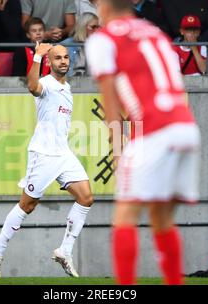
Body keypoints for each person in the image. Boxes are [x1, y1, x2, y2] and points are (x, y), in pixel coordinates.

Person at [85, 0, 201, 285]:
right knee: (161, 219)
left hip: (153, 131)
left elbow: (110, 105)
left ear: (102, 5)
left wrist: (117, 148)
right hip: (186, 127)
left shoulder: (103, 39)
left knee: (125, 216)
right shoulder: (154, 32)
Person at [0, 42, 94, 278]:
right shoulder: (46, 83)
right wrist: (36, 56)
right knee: (27, 205)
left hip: (63, 153)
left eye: (66, 57)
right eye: (57, 58)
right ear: (50, 62)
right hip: (43, 154)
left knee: (86, 198)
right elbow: (32, 86)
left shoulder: (67, 87)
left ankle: (64, 251)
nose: (63, 61)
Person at [62, 12, 100, 77]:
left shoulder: (99, 45)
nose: (97, 30)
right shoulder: (66, 45)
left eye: (98, 27)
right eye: (93, 27)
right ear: (82, 27)